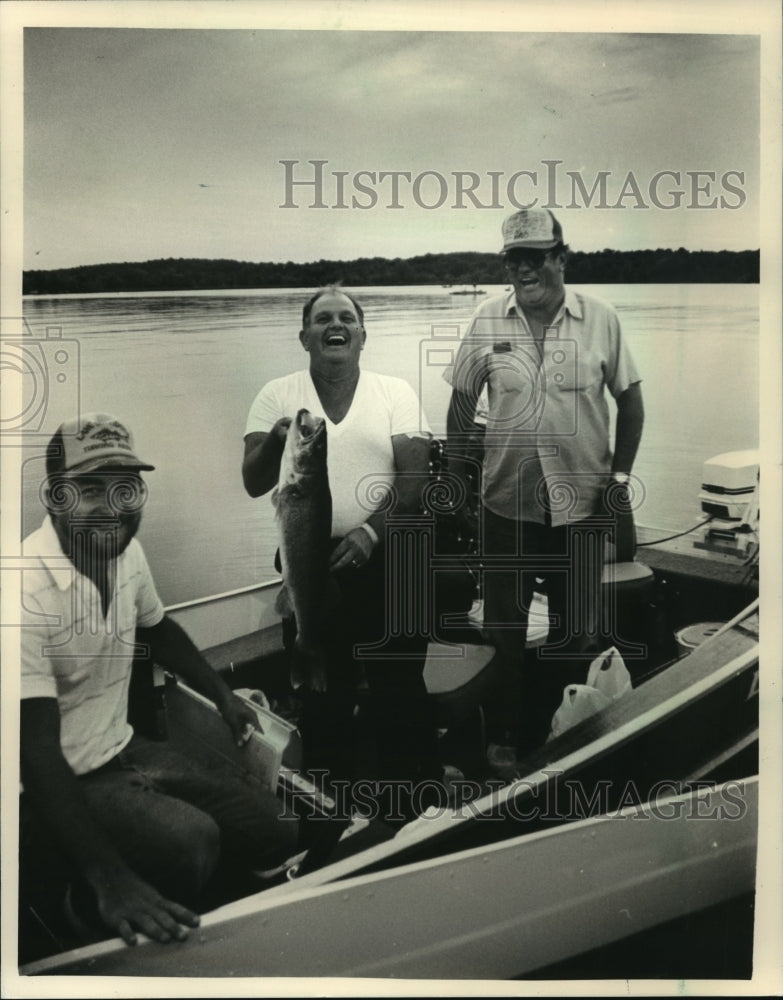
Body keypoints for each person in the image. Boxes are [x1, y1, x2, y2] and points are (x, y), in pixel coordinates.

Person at [20, 413, 298, 953]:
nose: (113, 506)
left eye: (126, 487)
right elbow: (36, 754)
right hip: (47, 787)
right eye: (90, 489)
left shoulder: (125, 554)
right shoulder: (24, 594)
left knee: (278, 827)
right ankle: (75, 907)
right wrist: (110, 881)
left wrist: (223, 700)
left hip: (123, 751)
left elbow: (160, 631)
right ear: (55, 496)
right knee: (193, 842)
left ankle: (186, 890)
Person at [446, 209, 644, 775]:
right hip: (503, 505)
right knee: (505, 632)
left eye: (536, 256)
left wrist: (621, 479)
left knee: (578, 630)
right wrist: (459, 478)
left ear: (562, 256)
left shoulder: (601, 319)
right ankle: (507, 737)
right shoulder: (485, 320)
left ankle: (570, 737)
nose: (525, 268)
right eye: (514, 258)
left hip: (582, 507)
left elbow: (630, 402)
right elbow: (461, 405)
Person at [242, 286, 441, 818]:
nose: (337, 325)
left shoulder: (394, 392)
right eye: (323, 318)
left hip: (391, 558)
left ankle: (410, 807)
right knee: (323, 696)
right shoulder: (276, 395)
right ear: (304, 335)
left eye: (347, 318)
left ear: (362, 335)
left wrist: (371, 532)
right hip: (309, 565)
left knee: (400, 685)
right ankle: (333, 814)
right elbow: (254, 481)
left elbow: (417, 479)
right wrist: (274, 442)